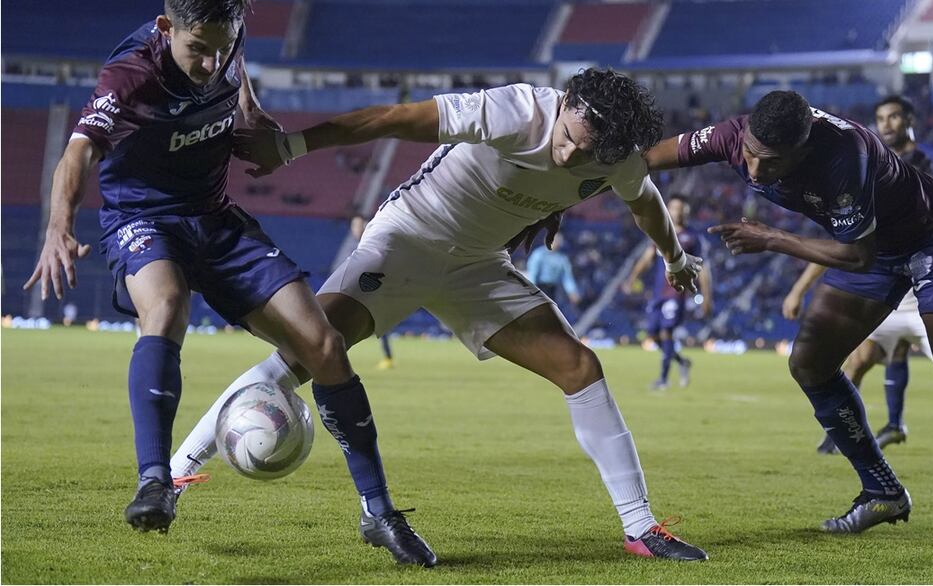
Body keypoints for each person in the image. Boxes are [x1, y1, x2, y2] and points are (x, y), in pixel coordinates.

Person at [176, 69, 710, 561]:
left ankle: (640, 528)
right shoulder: (512, 111)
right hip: (409, 239)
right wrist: (292, 145)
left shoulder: (617, 157)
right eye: (567, 137)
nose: (569, 156)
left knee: (580, 367)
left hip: (478, 266)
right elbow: (391, 118)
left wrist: (676, 259)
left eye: (585, 151)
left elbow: (645, 202)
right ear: (564, 102)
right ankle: (174, 474)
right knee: (304, 355)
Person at [21, 0, 432, 567]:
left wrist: (255, 118)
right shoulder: (131, 76)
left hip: (215, 218)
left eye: (223, 45)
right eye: (197, 50)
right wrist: (58, 229)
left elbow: (237, 84)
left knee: (322, 344)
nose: (210, 62)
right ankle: (155, 482)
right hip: (145, 220)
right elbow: (78, 152)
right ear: (166, 26)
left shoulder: (225, 46)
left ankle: (379, 512)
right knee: (165, 307)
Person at [647, 90, 933, 560]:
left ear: (802, 147)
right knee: (810, 363)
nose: (752, 170)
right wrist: (571, 189)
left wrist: (772, 237)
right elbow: (648, 158)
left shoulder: (844, 157)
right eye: (748, 154)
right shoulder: (733, 135)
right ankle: (882, 490)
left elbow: (856, 254)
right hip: (877, 248)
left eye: (768, 162)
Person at [783, 95, 933, 455]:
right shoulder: (866, 163)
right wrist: (798, 289)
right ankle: (846, 436)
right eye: (880, 117)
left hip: (930, 286)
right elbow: (846, 238)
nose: (886, 124)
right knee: (855, 362)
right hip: (887, 288)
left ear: (909, 119)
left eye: (894, 116)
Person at [623, 194, 713, 390]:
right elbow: (647, 258)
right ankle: (681, 362)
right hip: (658, 293)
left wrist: (707, 297)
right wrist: (632, 278)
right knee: (653, 335)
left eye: (681, 208)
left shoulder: (693, 237)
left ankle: (663, 379)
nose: (677, 212)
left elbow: (703, 268)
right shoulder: (661, 233)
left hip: (676, 292)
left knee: (666, 332)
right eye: (673, 208)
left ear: (686, 212)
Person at [336, 214, 395, 369]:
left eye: (359, 225)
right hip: (352, 291)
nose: (356, 229)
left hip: (372, 291)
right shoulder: (351, 245)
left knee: (380, 324)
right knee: (342, 323)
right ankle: (337, 356)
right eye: (354, 225)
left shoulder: (372, 243)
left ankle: (388, 357)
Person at [524, 232, 580, 309]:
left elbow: (567, 277)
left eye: (559, 241)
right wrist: (532, 290)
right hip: (540, 288)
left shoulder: (562, 258)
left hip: (553, 289)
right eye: (555, 240)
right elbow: (533, 273)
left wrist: (572, 291)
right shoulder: (539, 254)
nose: (557, 243)